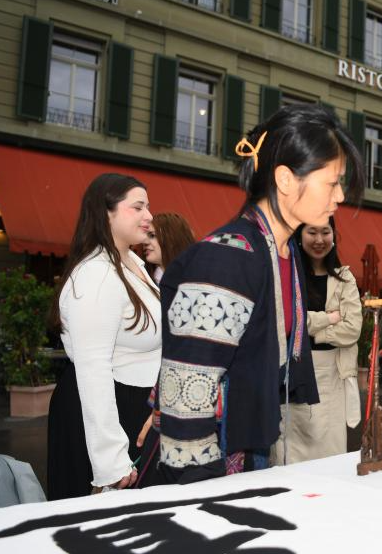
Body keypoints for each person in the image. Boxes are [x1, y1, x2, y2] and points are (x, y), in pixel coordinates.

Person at [153, 104, 363, 481]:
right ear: (285, 179)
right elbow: (185, 398)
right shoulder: (228, 258)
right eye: (332, 182)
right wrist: (204, 494)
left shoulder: (284, 252)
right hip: (208, 470)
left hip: (252, 452)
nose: (340, 196)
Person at [47, 173, 160, 499]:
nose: (149, 216)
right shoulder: (96, 273)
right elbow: (93, 368)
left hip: (133, 408)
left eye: (148, 207)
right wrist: (109, 463)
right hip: (101, 414)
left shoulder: (132, 264)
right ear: (105, 212)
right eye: (137, 207)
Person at [276, 217, 362, 463]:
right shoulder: (288, 276)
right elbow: (284, 321)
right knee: (289, 454)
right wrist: (329, 317)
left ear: (334, 236)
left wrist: (308, 328)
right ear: (299, 236)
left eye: (325, 232)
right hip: (292, 373)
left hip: (332, 376)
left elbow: (352, 329)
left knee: (329, 455)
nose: (319, 239)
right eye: (311, 232)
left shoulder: (345, 279)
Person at [142, 212, 196, 284]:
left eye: (152, 235)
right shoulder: (144, 283)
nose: (145, 242)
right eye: (143, 236)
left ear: (172, 238)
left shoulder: (203, 276)